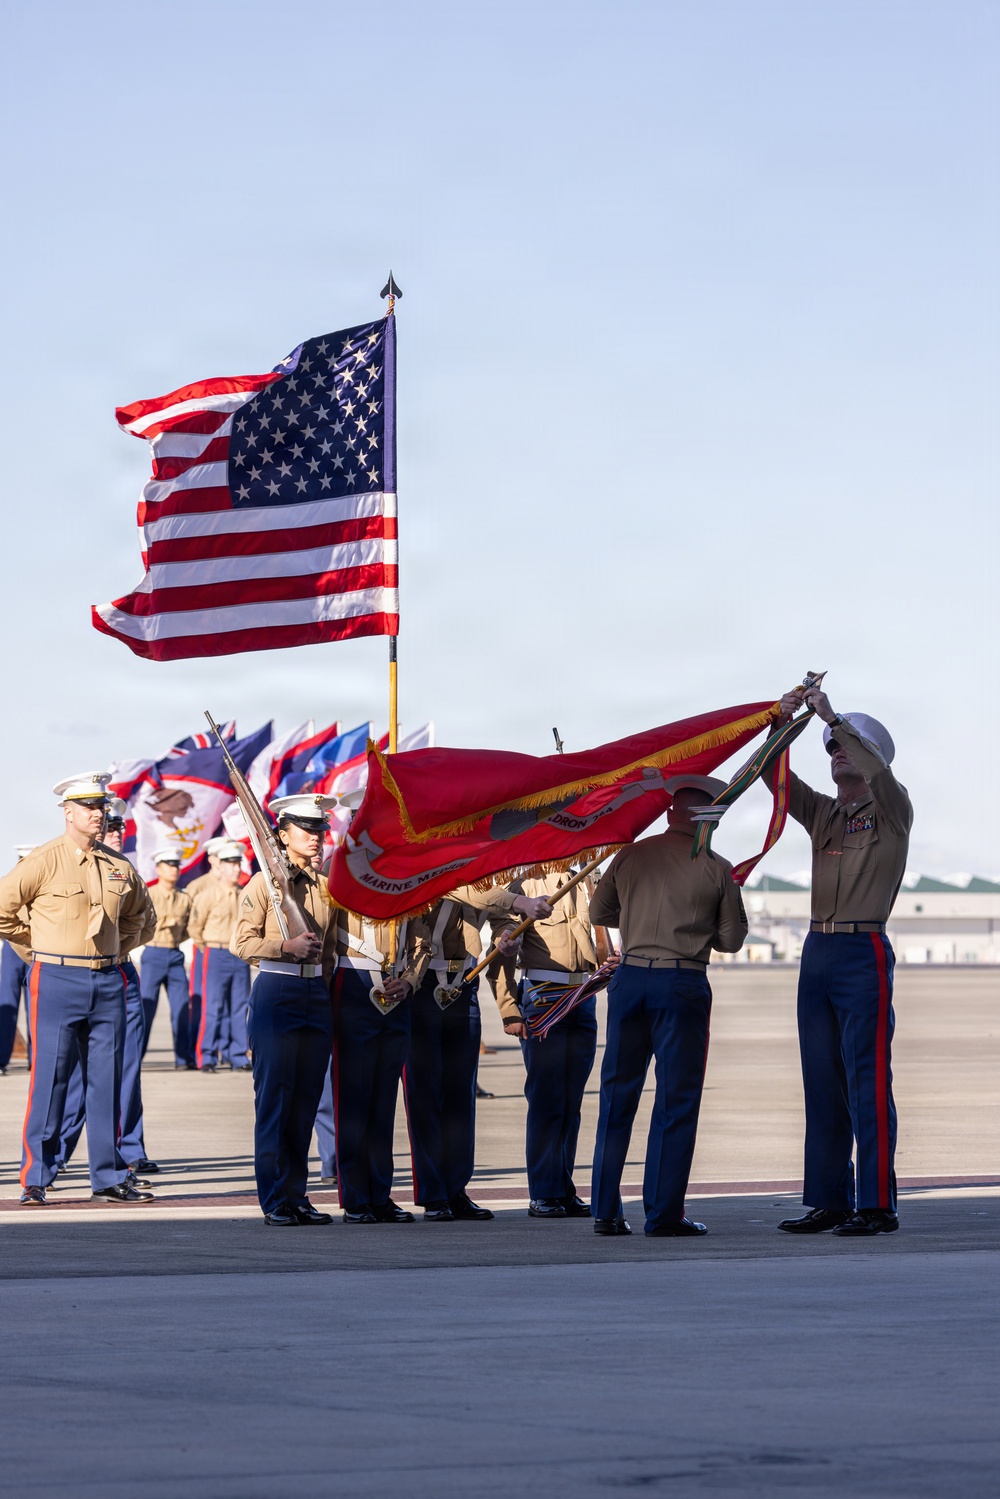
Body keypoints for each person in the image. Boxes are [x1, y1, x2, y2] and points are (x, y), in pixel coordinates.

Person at [772, 686, 912, 1238]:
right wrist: (779, 726)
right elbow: (775, 781)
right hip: (818, 952)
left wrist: (833, 717)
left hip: (862, 951)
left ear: (872, 753)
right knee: (821, 1082)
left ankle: (876, 1204)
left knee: (867, 1080)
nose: (836, 752)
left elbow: (881, 777)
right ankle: (829, 1200)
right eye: (829, 746)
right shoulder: (825, 814)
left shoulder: (893, 809)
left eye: (845, 745)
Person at [588, 776, 748, 1237]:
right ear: (708, 821)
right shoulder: (718, 867)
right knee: (676, 1101)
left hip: (631, 978)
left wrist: (639, 915)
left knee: (617, 1096)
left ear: (669, 814)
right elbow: (732, 941)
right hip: (681, 982)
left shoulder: (632, 854)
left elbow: (599, 913)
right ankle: (662, 1214)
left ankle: (605, 1210)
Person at [0, 773, 156, 1206]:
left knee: (106, 1082)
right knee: (49, 1079)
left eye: (100, 806)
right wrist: (39, 949)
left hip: (108, 977)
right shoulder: (42, 860)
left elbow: (143, 917)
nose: (97, 813)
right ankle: (37, 1176)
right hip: (55, 978)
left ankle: (107, 1176)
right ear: (67, 813)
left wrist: (114, 949)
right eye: (87, 807)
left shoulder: (119, 865)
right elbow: (3, 911)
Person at [402, 883, 545, 1222]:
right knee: (424, 1093)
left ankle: (456, 1189)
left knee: (461, 1095)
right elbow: (464, 890)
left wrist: (507, 936)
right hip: (421, 984)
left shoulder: (494, 867)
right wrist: (521, 901)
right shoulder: (447, 859)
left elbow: (500, 917)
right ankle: (433, 1193)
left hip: (464, 981)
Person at [232, 793, 341, 1226]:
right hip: (276, 992)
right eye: (308, 830)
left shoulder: (325, 887)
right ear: (282, 834)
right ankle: (275, 1198)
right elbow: (240, 944)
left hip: (316, 996)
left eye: (321, 830)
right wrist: (285, 946)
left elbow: (330, 949)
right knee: (276, 1102)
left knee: (306, 1102)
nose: (317, 837)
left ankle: (298, 1195)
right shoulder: (264, 885)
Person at [500, 868, 604, 1220]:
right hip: (544, 994)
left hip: (583, 994)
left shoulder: (588, 879)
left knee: (571, 1100)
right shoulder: (524, 885)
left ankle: (562, 1187)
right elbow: (502, 944)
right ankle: (543, 1192)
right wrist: (508, 1008)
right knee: (546, 1098)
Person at [333, 904, 430, 1223]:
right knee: (352, 1098)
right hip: (354, 983)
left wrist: (411, 980)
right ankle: (355, 1197)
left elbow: (421, 943)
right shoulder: (339, 872)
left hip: (396, 988)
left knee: (383, 1101)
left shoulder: (404, 876)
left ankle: (379, 1193)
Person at [189, 843, 251, 1072]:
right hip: (214, 953)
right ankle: (206, 1056)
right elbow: (195, 927)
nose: (236, 869)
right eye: (231, 864)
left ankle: (238, 1055)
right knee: (212, 1006)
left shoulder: (245, 894)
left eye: (238, 864)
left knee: (239, 1006)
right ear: (221, 867)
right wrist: (207, 947)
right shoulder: (207, 895)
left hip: (238, 955)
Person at [141, 849, 194, 1068]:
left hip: (174, 953)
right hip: (153, 953)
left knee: (182, 1008)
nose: (174, 870)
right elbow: (142, 923)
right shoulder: (149, 895)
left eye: (176, 866)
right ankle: (134, 1057)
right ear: (159, 869)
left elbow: (188, 929)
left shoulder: (184, 898)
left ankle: (183, 1058)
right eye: (169, 865)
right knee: (146, 1009)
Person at [184, 834, 229, 1068]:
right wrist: (200, 943)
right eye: (221, 857)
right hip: (205, 948)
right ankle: (198, 1050)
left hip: (226, 949)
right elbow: (188, 920)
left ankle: (227, 1049)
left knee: (230, 1003)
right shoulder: (198, 886)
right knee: (203, 1001)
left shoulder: (236, 884)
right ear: (212, 859)